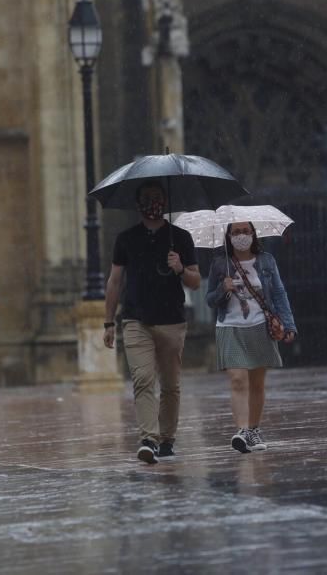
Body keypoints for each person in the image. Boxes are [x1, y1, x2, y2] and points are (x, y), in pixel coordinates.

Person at [103, 181, 201, 465]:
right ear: (138, 204)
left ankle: (167, 438)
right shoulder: (126, 239)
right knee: (143, 379)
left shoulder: (180, 237)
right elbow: (115, 280)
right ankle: (149, 439)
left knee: (170, 384)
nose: (152, 202)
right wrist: (108, 322)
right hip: (136, 320)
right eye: (147, 198)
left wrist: (180, 268)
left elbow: (195, 281)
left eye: (157, 197)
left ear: (165, 201)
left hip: (171, 320)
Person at [206, 221, 297, 454]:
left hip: (259, 325)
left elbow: (279, 293)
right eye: (236, 232)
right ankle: (243, 431)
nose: (241, 236)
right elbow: (210, 300)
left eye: (246, 231)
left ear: (254, 234)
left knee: (257, 382)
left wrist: (288, 324)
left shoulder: (267, 260)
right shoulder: (219, 263)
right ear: (228, 236)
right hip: (229, 326)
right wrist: (221, 289)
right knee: (237, 379)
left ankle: (254, 430)